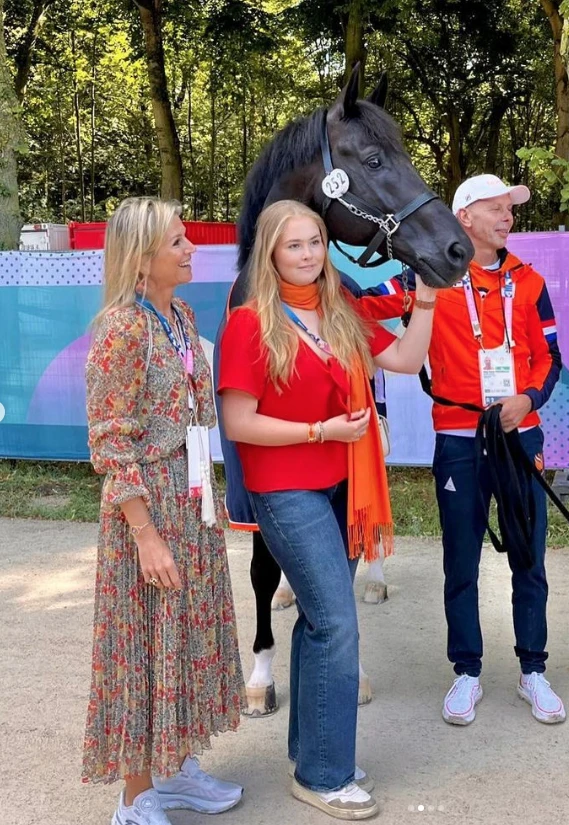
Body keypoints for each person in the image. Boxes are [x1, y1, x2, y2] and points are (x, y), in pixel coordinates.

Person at [217, 199, 437, 821]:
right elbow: (238, 421)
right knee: (338, 622)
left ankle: (313, 754)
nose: (310, 254)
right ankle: (325, 775)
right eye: (295, 245)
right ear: (271, 253)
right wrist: (321, 432)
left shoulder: (338, 314)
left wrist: (424, 303)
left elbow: (406, 360)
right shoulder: (250, 323)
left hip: (342, 485)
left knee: (319, 622)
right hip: (287, 490)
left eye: (316, 241)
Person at [359, 174, 565, 725]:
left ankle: (533, 669)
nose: (508, 218)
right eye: (496, 209)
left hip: (521, 437)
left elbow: (551, 359)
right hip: (458, 438)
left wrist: (527, 398)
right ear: (464, 217)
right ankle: (466, 672)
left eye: (510, 210)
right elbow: (361, 306)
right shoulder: (424, 278)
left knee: (530, 556)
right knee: (460, 561)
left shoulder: (531, 281)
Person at [83, 197, 245, 825]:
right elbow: (110, 439)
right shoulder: (124, 328)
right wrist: (146, 535)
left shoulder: (178, 312)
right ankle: (133, 799)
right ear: (141, 259)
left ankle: (176, 771)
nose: (189, 249)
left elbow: (195, 418)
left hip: (191, 499)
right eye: (176, 242)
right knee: (143, 648)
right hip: (146, 511)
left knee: (186, 637)